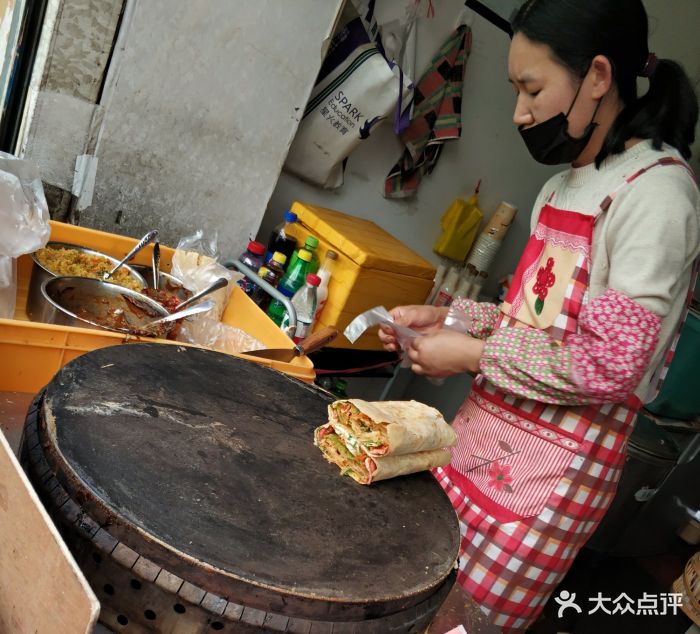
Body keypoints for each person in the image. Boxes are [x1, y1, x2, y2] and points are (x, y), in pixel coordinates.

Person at [379, 0, 699, 631]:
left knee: (458, 624)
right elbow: (531, 321)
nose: (521, 112)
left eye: (533, 88)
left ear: (600, 77)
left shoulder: (657, 194)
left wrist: (468, 354)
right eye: (516, 89)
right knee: (405, 593)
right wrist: (455, 320)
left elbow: (607, 364)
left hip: (546, 487)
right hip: (476, 444)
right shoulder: (562, 188)